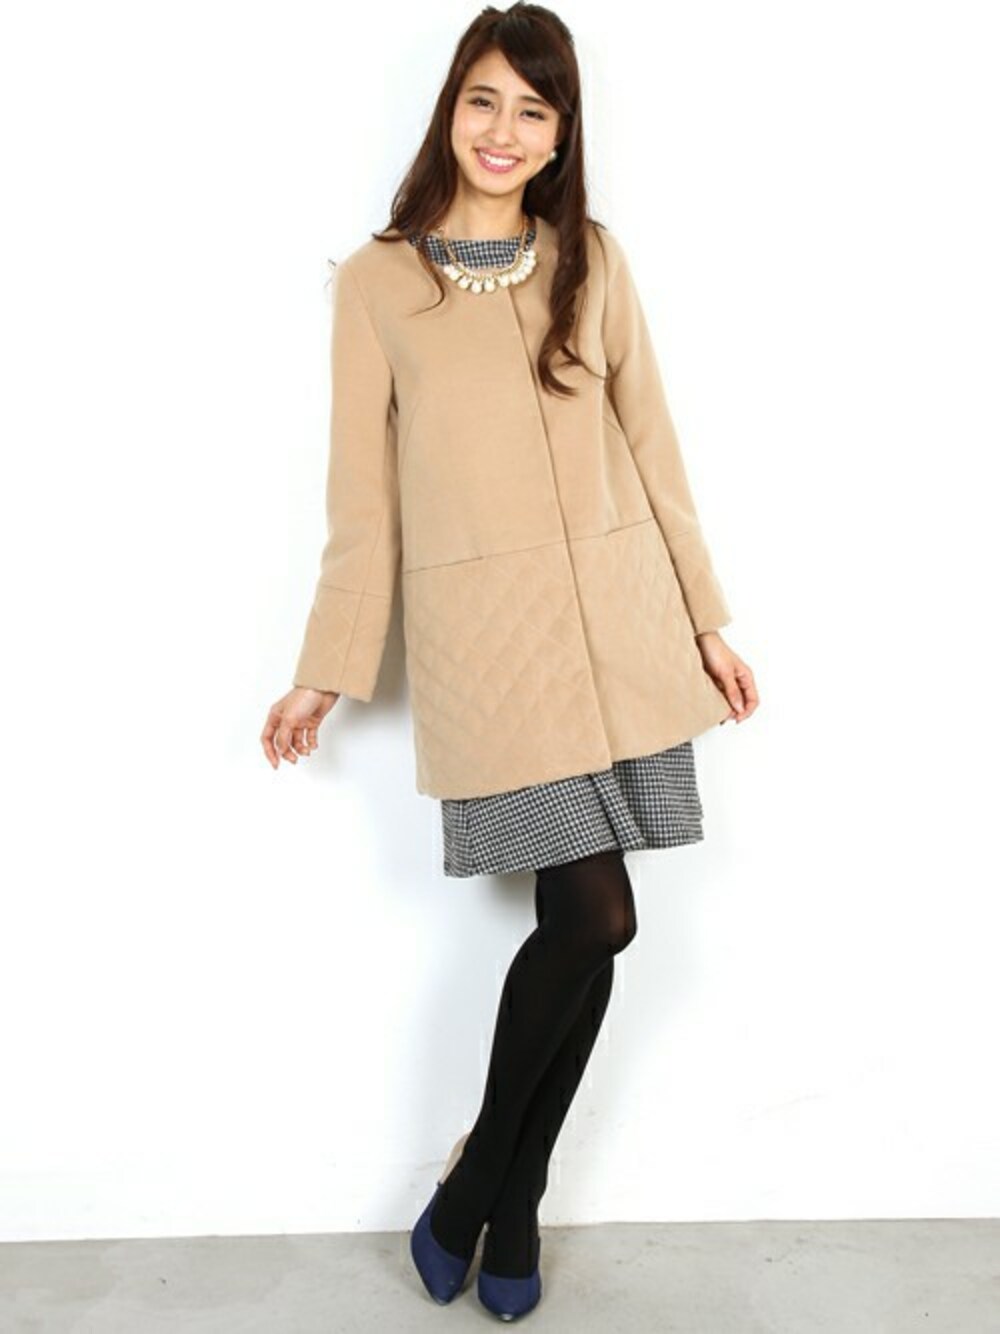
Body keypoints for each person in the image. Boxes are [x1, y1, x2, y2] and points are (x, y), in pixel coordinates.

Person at [261, 2, 758, 1320]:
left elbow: (654, 445)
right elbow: (362, 502)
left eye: (533, 110)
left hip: (624, 631)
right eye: (484, 99)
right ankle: (489, 1175)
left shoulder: (593, 258)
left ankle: (503, 1189)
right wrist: (325, 668)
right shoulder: (377, 285)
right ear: (451, 108)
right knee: (599, 917)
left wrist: (706, 621)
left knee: (588, 930)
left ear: (560, 134)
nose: (503, 130)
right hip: (493, 654)